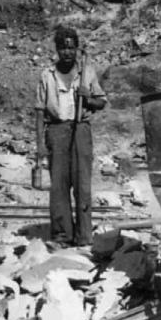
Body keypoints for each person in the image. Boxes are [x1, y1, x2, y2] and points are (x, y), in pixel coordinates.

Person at [35, 25, 107, 248]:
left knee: (82, 184)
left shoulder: (86, 72)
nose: (67, 52)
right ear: (57, 49)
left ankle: (84, 236)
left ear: (76, 49)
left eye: (71, 47)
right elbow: (39, 111)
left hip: (81, 130)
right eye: (63, 48)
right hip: (56, 131)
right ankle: (62, 235)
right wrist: (40, 144)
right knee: (59, 186)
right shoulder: (47, 75)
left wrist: (88, 98)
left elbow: (101, 102)